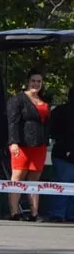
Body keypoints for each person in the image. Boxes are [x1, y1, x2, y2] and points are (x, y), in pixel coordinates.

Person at [6, 68, 51, 221]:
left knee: (34, 180)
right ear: (28, 82)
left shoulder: (44, 101)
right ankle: (14, 212)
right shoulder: (17, 99)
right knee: (17, 178)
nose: (36, 84)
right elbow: (12, 123)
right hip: (22, 145)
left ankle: (34, 213)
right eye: (33, 81)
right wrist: (13, 142)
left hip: (40, 146)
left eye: (39, 81)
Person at [48, 84, 74, 222]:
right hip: (65, 154)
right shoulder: (63, 112)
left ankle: (59, 213)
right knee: (64, 185)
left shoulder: (58, 111)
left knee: (62, 185)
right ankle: (64, 214)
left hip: (62, 154)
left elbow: (52, 132)